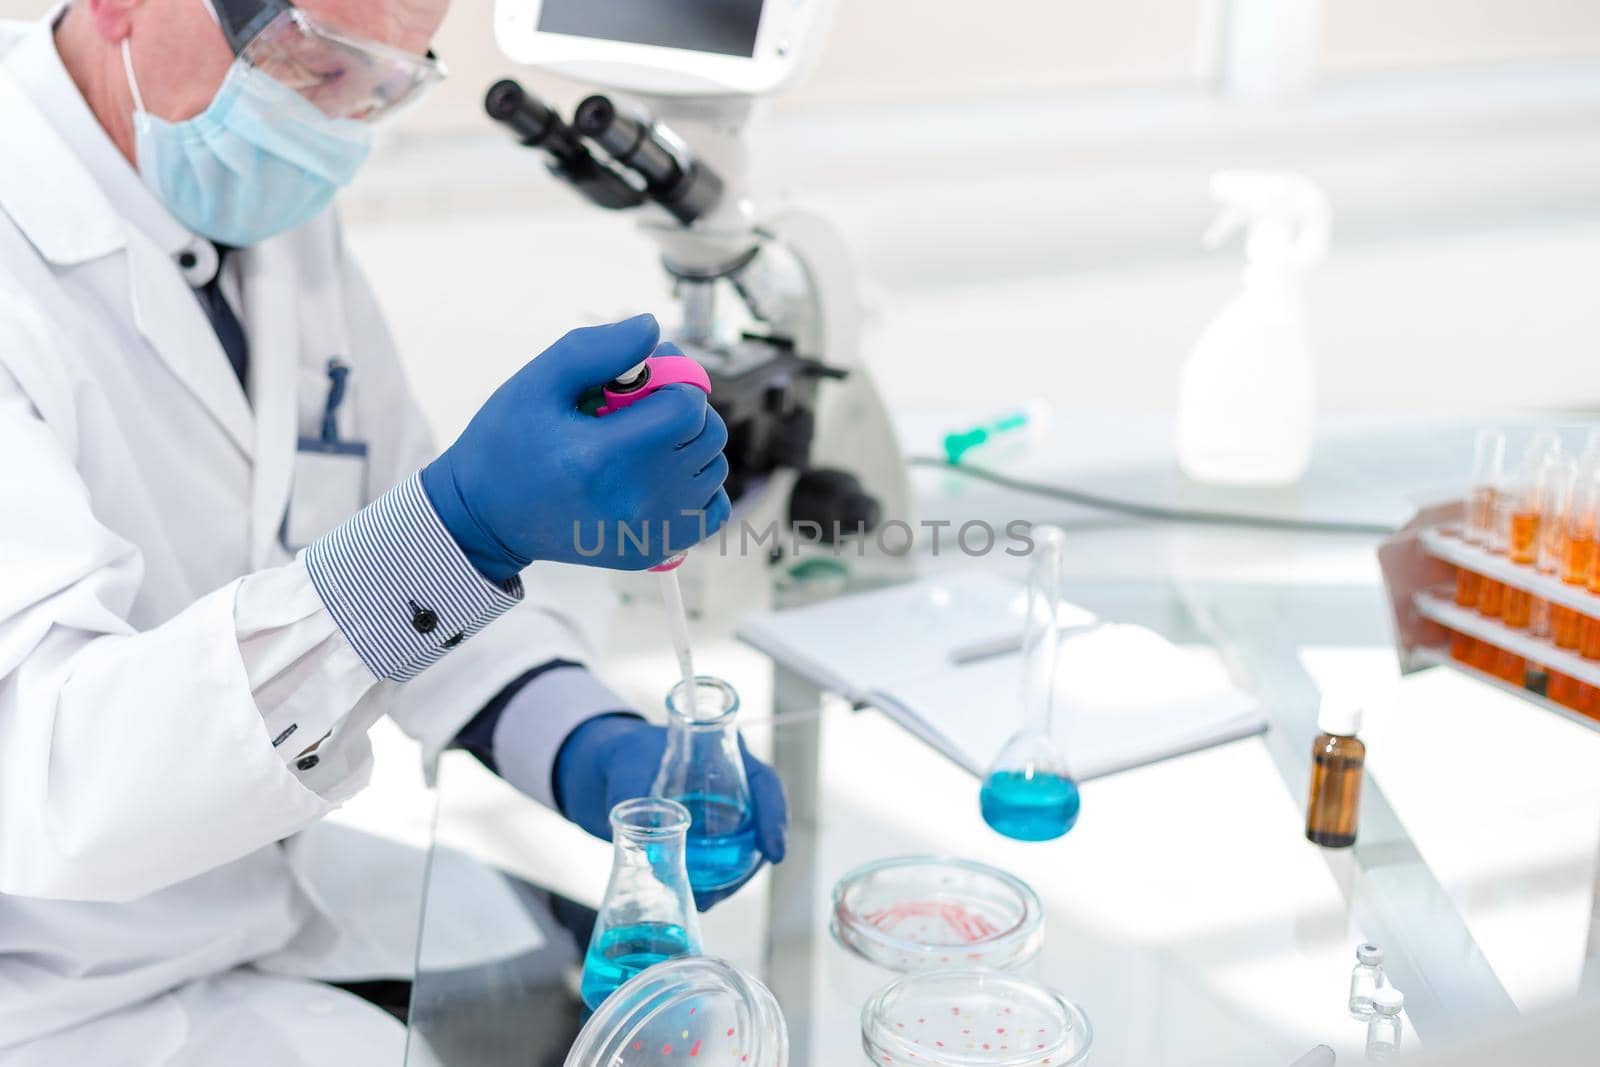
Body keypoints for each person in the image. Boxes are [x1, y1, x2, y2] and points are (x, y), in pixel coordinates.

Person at [0, 0, 788, 1061]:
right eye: (311, 59)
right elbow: (47, 774)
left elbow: (385, 548)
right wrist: (455, 533)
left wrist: (585, 741)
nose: (330, 124)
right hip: (59, 992)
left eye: (380, 83)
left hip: (266, 915)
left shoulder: (249, 197)